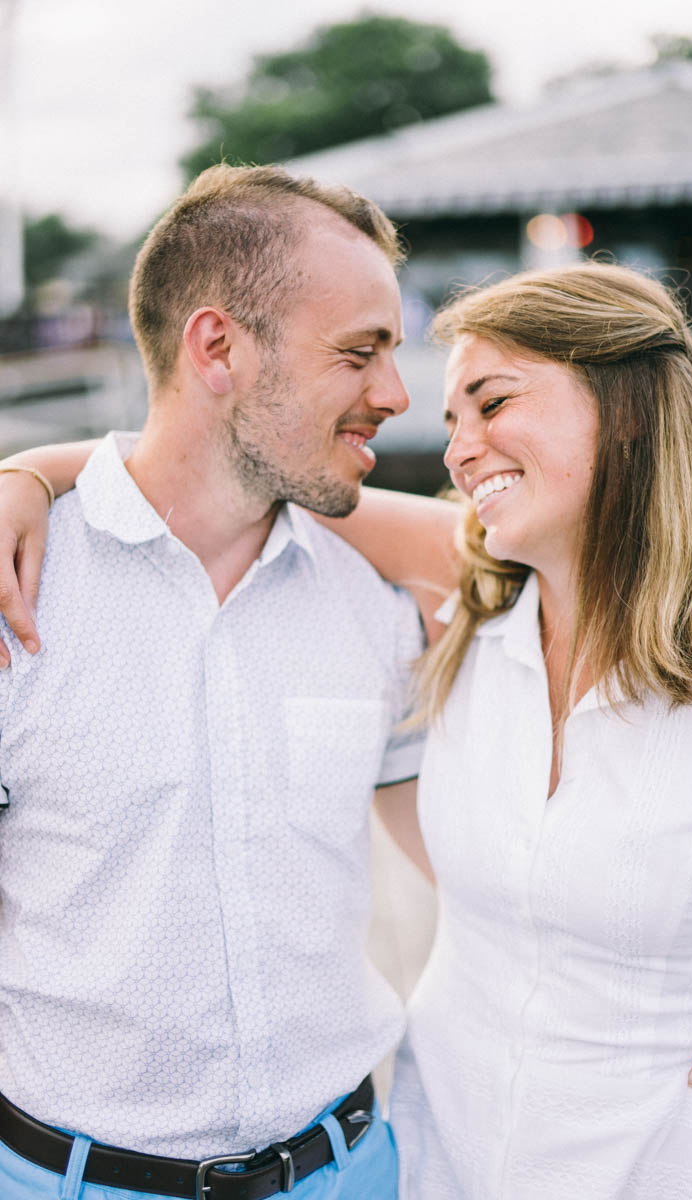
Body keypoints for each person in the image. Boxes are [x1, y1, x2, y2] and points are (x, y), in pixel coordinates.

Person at [0, 251, 692, 1197]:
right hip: (428, 1166)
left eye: (493, 403)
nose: (459, 450)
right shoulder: (469, 603)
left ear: (629, 403)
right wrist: (32, 471)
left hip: (664, 1171)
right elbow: (226, 474)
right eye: (455, 420)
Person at [0, 162, 441, 1200]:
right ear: (217, 348)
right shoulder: (22, 592)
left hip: (350, 1173)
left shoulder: (377, 602)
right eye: (358, 352)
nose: (394, 394)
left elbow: (480, 865)